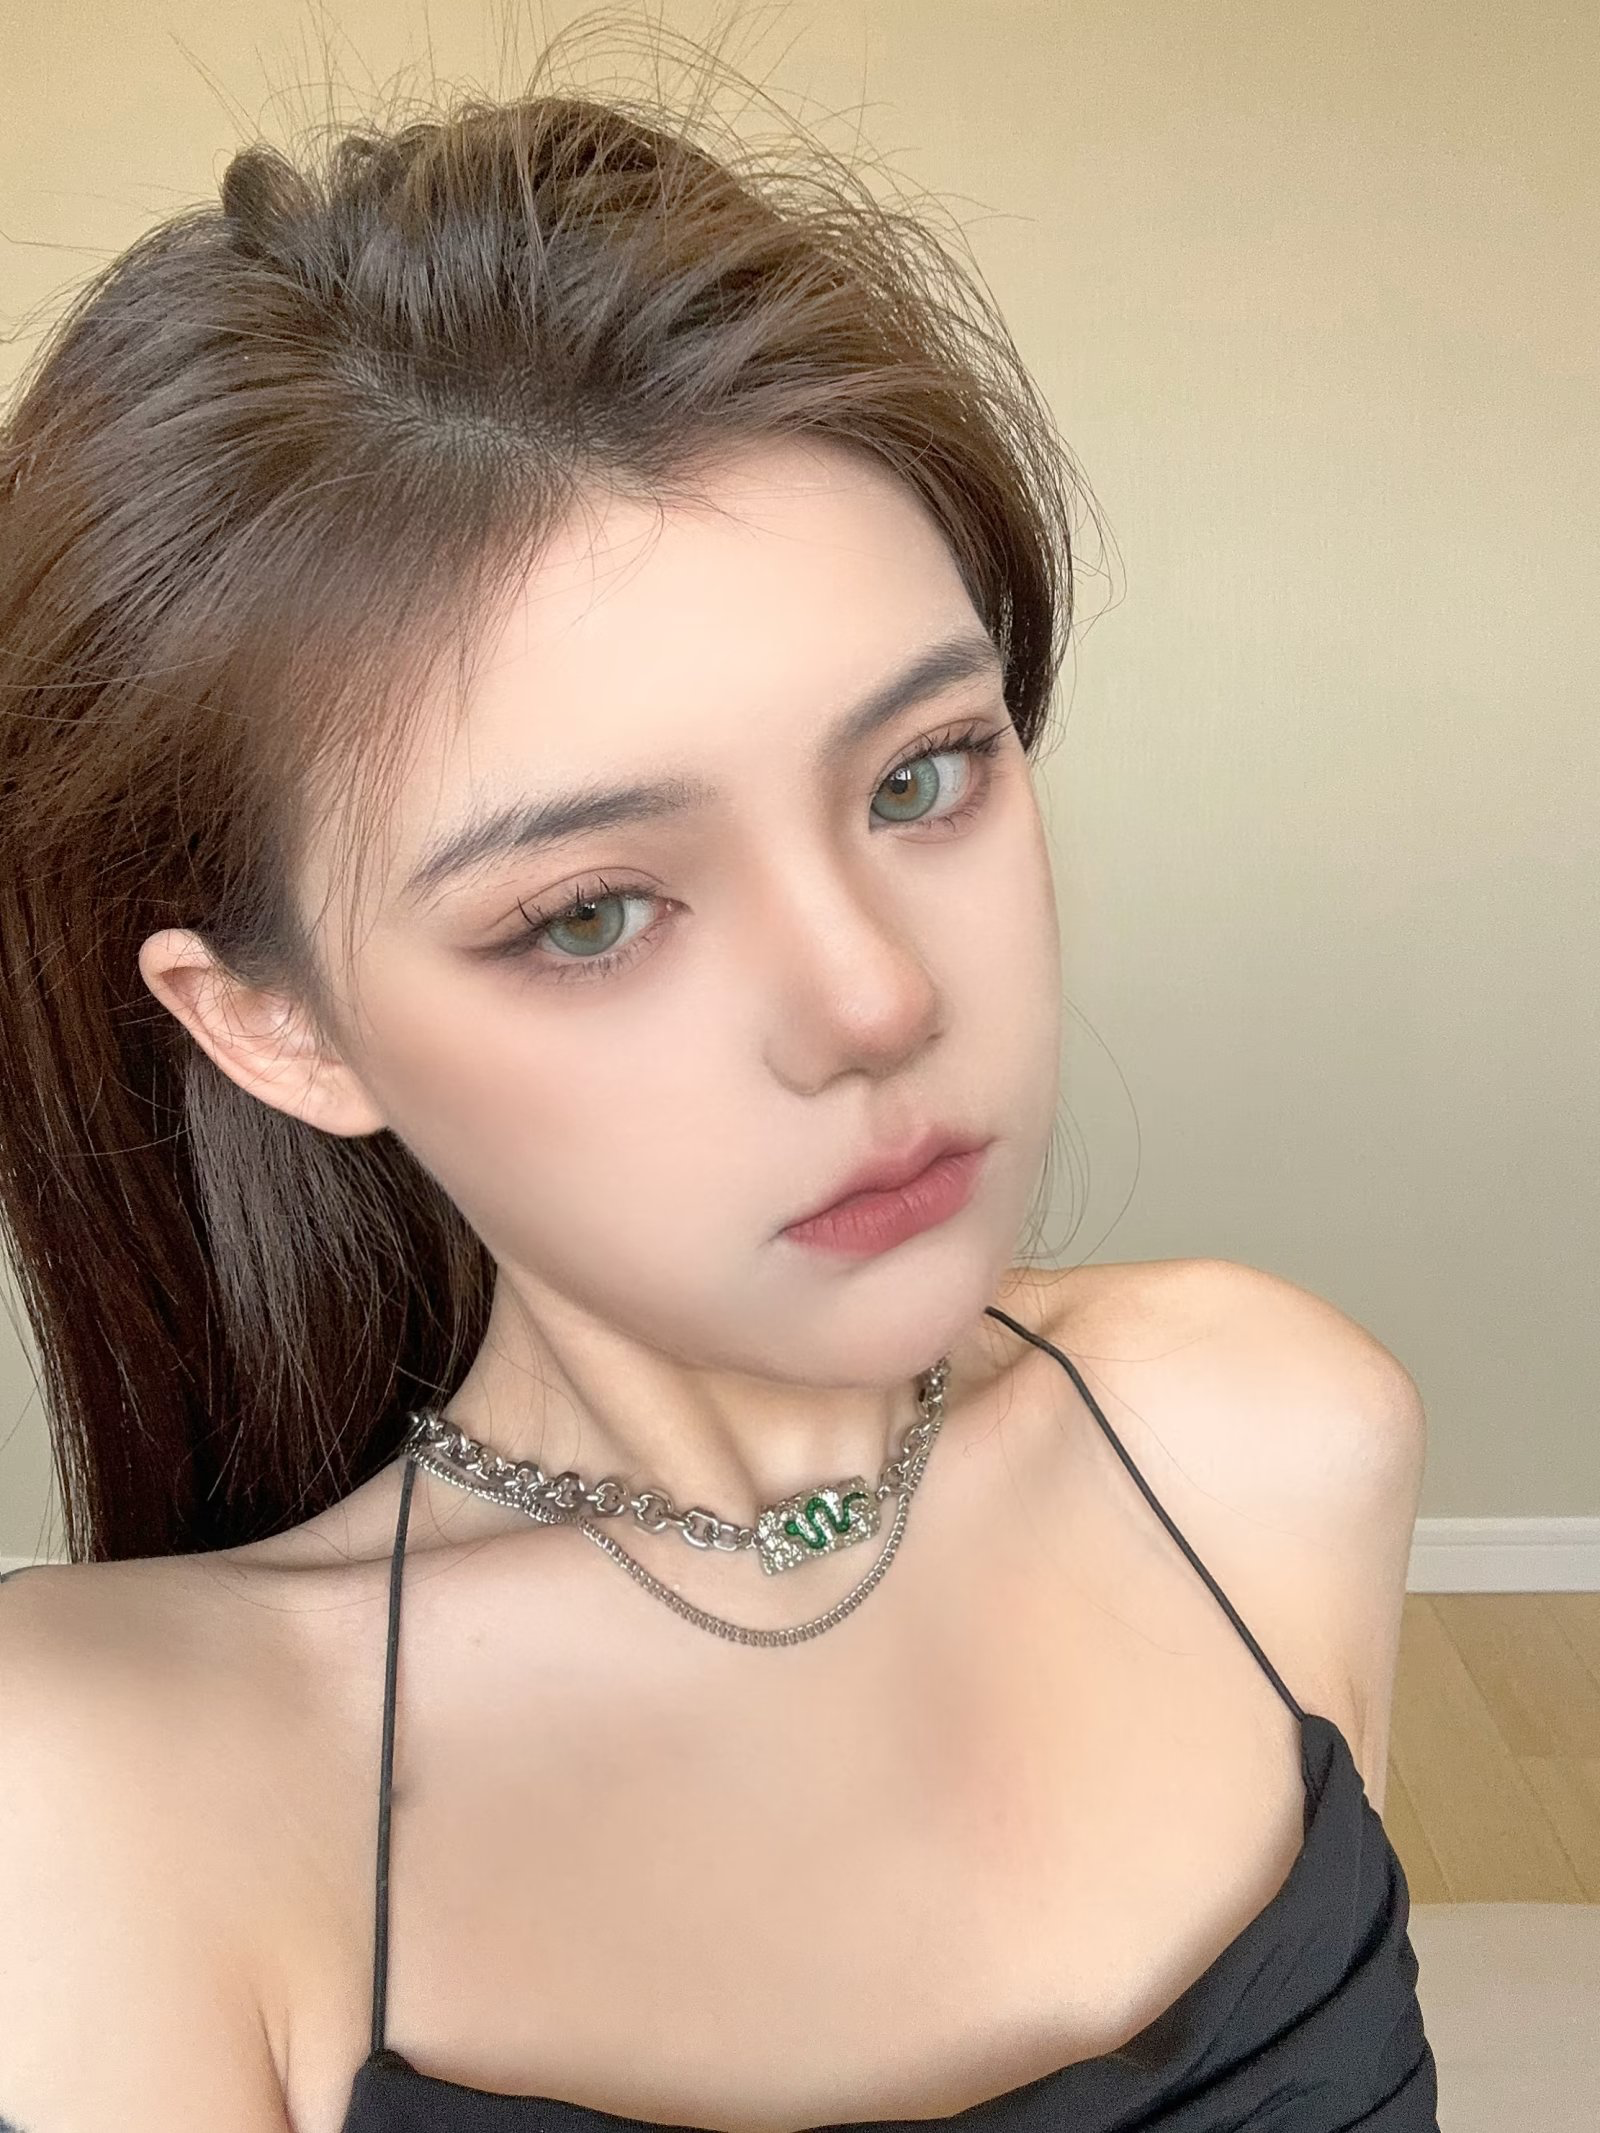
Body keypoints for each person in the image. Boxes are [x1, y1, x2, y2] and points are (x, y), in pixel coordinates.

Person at [0, 39, 1437, 2133]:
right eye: (591, 913)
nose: (872, 998)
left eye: (921, 777)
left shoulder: (1269, 1440)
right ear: (275, 1028)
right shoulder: (103, 1794)